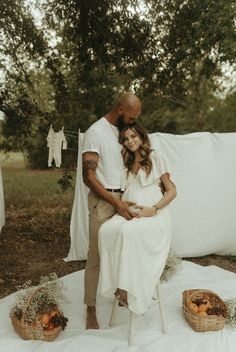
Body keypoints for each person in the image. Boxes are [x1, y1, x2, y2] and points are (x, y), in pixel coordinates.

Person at [98, 122, 177, 315]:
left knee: (127, 232)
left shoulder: (155, 157)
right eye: (126, 139)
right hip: (130, 212)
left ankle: (131, 289)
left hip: (154, 214)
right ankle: (118, 284)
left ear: (141, 137)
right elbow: (125, 194)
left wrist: (154, 209)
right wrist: (121, 207)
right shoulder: (126, 166)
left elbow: (172, 191)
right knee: (105, 231)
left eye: (133, 137)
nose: (130, 141)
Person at [82, 93, 142, 329]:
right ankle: (90, 307)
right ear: (119, 110)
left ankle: (122, 293)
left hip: (125, 196)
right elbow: (88, 176)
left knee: (123, 248)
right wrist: (115, 203)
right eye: (131, 116)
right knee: (96, 256)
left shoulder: (123, 131)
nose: (133, 120)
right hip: (104, 200)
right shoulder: (95, 132)